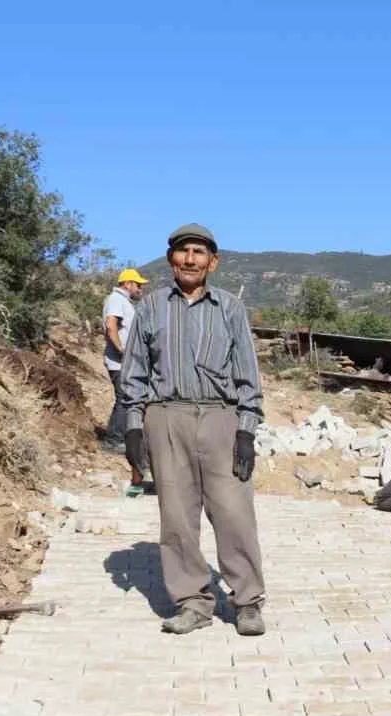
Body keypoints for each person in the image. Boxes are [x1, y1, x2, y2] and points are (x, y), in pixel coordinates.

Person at [120, 224, 267, 637]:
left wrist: (246, 430)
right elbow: (133, 372)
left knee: (234, 513)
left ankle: (248, 602)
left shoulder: (230, 309)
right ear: (171, 260)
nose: (190, 259)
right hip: (166, 416)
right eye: (183, 251)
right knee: (177, 517)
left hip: (221, 417)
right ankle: (192, 602)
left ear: (212, 262)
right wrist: (133, 428)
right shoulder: (149, 308)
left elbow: (248, 376)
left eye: (199, 252)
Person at [101, 268, 150, 487]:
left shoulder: (125, 302)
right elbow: (111, 326)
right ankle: (113, 440)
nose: (140, 289)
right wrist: (122, 351)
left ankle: (119, 438)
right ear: (127, 283)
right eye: (138, 285)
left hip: (125, 362)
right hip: (119, 362)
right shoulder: (115, 299)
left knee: (126, 397)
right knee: (124, 398)